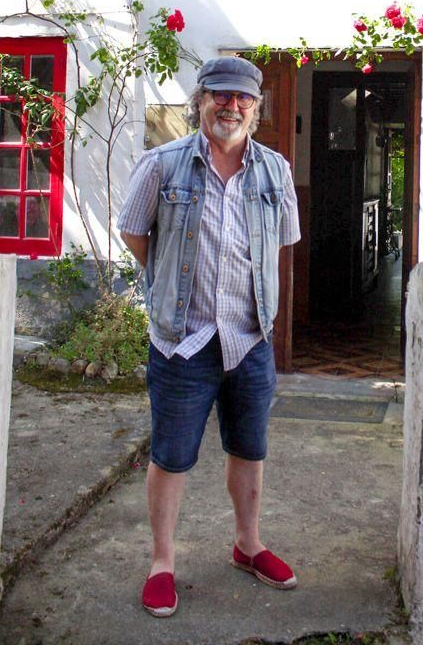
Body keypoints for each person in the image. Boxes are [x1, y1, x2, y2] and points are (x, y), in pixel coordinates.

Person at [117, 55, 300, 618]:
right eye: (220, 94)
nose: (231, 105)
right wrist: (169, 287)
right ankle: (162, 562)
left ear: (256, 107)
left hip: (249, 337)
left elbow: (281, 243)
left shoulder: (275, 170)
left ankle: (248, 545)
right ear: (200, 101)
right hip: (183, 340)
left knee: (249, 448)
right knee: (172, 456)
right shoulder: (162, 164)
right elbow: (133, 231)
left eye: (243, 97)